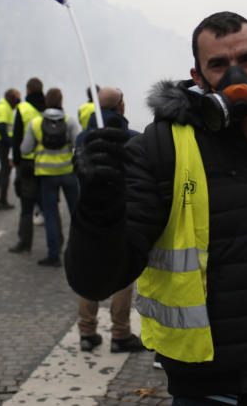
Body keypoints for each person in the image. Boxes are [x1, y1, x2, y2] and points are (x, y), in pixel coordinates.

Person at [66, 11, 247, 406]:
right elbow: (97, 282)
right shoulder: (160, 150)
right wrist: (97, 209)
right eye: (219, 64)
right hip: (211, 394)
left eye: (245, 60)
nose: (235, 75)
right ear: (197, 76)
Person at [74, 86, 145, 354]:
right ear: (121, 107)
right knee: (122, 276)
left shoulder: (83, 138)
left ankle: (87, 331)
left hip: (88, 213)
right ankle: (120, 333)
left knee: (89, 269)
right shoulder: (133, 138)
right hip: (121, 213)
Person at [22, 87, 80, 267]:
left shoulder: (36, 123)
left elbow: (25, 149)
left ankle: (53, 255)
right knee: (77, 214)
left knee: (50, 215)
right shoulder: (70, 121)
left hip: (46, 176)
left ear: (46, 102)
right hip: (68, 173)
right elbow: (79, 144)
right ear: (61, 101)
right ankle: (80, 251)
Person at [8, 78, 46, 254]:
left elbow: (17, 139)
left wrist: (15, 160)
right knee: (48, 205)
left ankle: (24, 243)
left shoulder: (23, 109)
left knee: (26, 206)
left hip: (27, 163)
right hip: (46, 163)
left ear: (28, 90)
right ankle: (56, 245)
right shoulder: (48, 108)